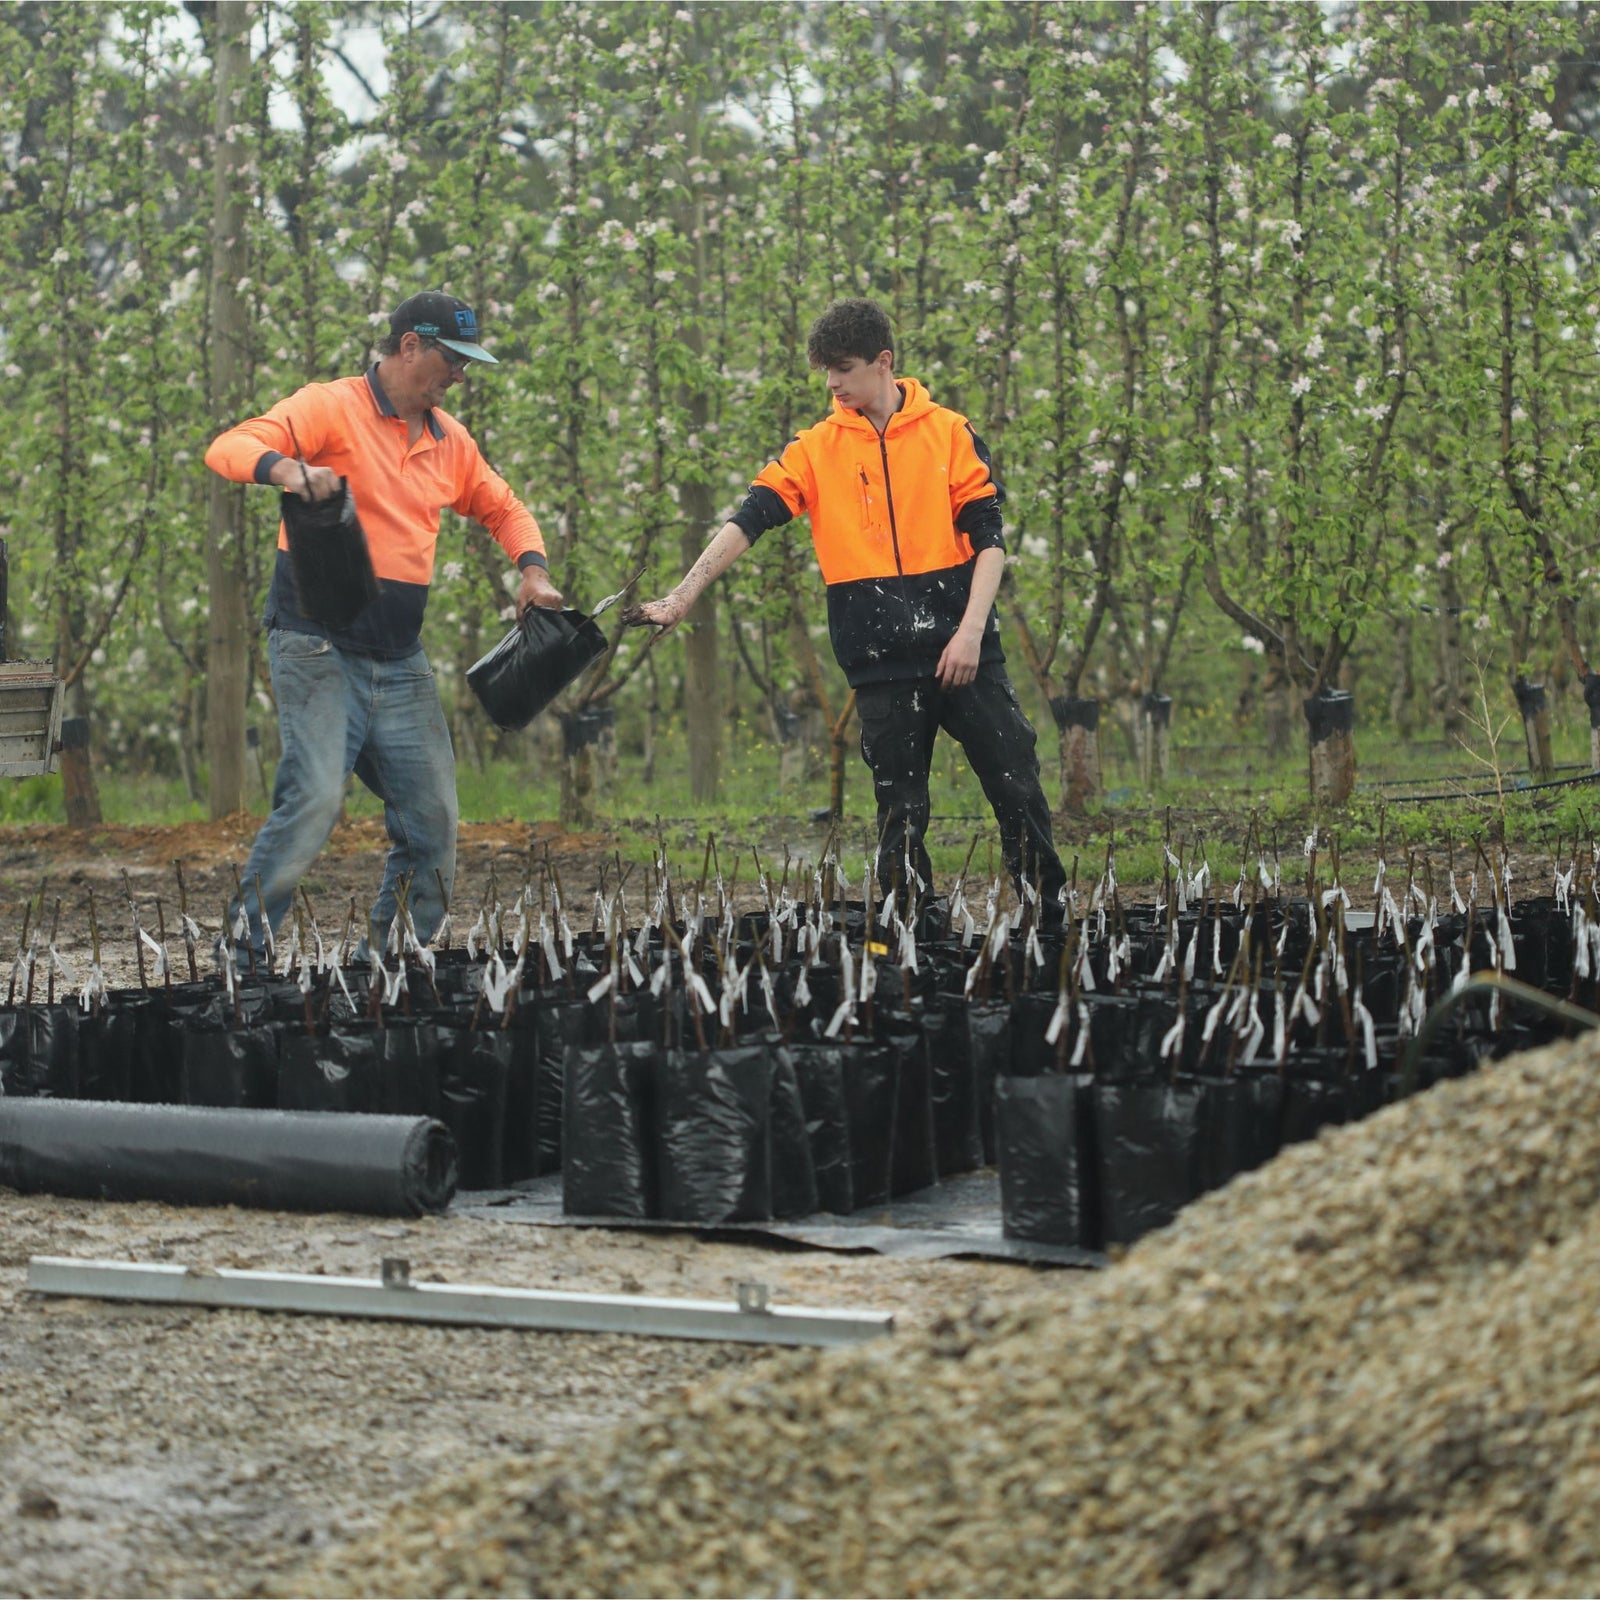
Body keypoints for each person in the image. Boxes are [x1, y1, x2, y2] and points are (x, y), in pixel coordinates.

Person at [628, 297, 1066, 910]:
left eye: (843, 367)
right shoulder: (815, 449)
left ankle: (1049, 915)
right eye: (825, 370)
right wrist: (680, 597)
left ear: (883, 363)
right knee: (900, 810)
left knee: (1017, 785)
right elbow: (747, 520)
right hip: (880, 663)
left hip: (964, 651)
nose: (831, 382)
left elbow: (990, 543)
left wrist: (970, 634)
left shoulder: (950, 433)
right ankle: (913, 937)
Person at [204, 290, 563, 961]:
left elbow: (504, 507)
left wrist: (533, 571)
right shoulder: (329, 405)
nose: (460, 375)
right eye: (451, 361)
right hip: (316, 643)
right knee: (312, 801)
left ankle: (392, 967)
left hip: (399, 660)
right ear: (408, 347)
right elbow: (230, 446)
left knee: (434, 824)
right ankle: (242, 960)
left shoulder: (450, 441)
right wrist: (286, 468)